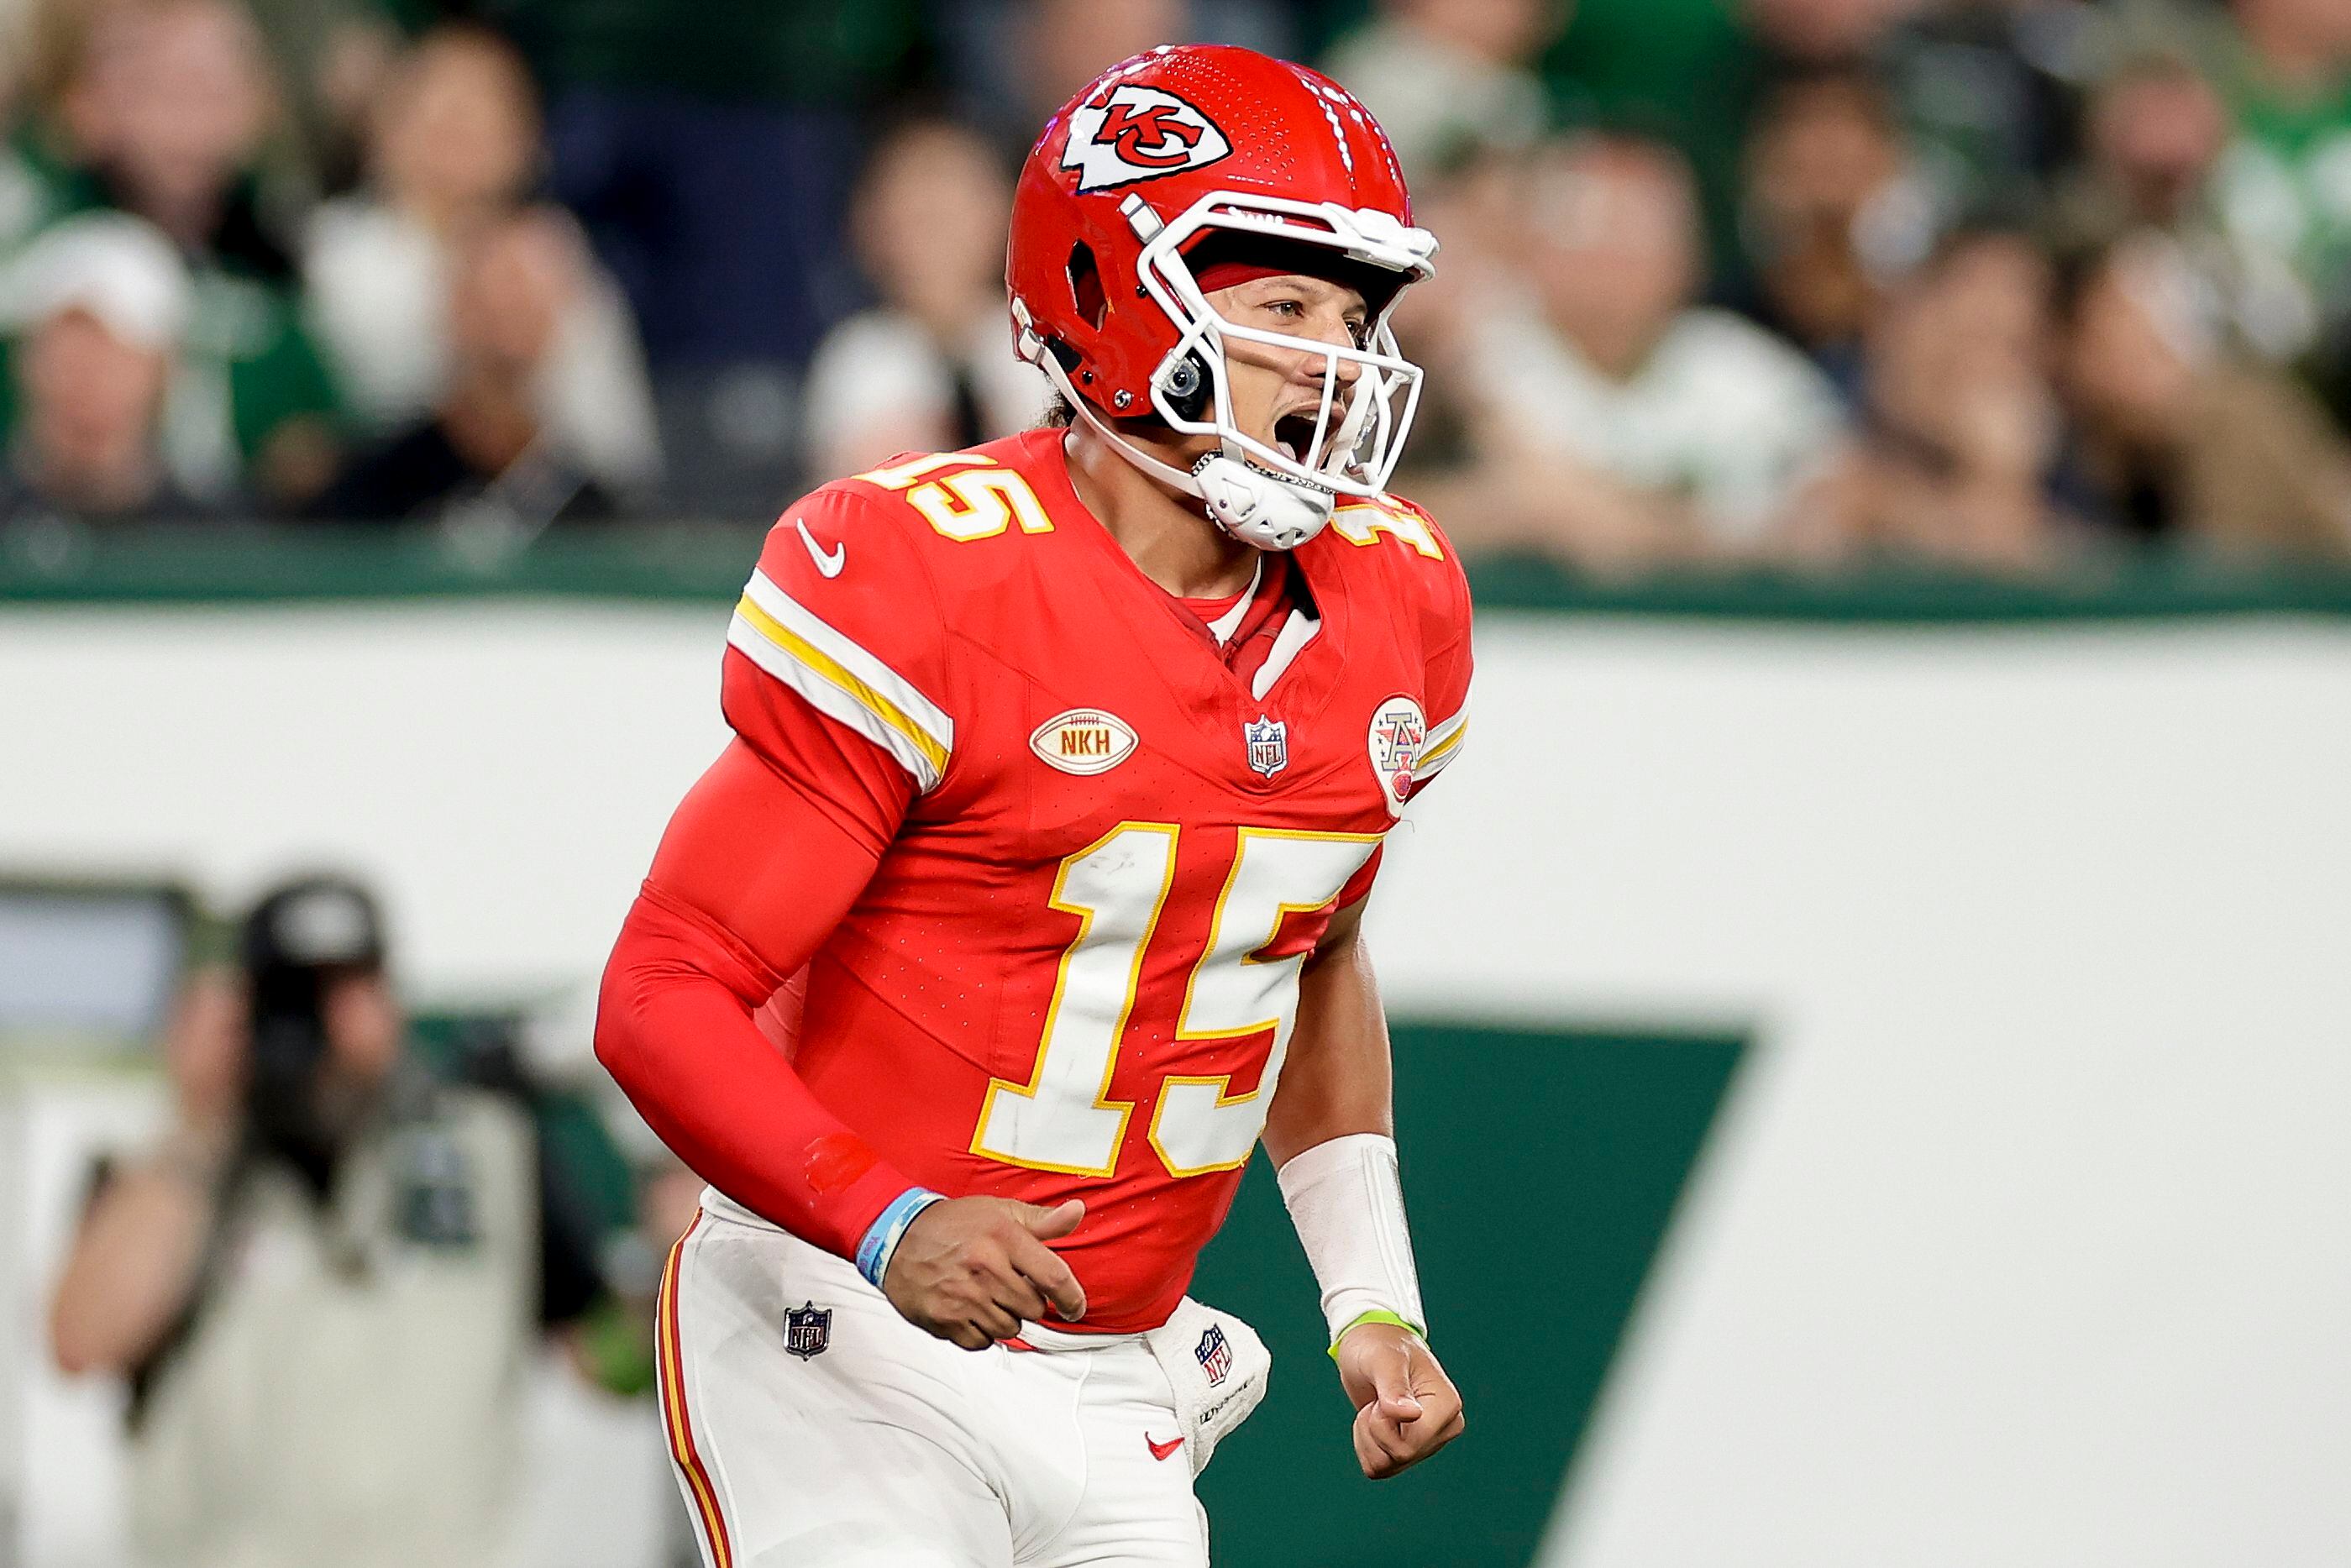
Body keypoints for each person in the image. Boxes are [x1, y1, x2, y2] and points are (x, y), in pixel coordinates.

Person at [596, 45, 1469, 1567]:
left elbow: (1301, 954)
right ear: (1117, 297)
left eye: (1351, 315)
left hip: (1120, 1375)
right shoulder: (929, 575)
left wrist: (1369, 1295)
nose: (1334, 363)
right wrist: (883, 1217)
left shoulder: (1393, 598)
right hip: (842, 1328)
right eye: (1280, 310)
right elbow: (661, 991)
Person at [48, 873, 607, 1568]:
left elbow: (604, 1360)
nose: (327, 1027)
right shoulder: (164, 1172)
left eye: (354, 988)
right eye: (300, 997)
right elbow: (80, 1342)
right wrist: (204, 1124)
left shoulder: (490, 1149)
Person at [1438, 132, 1853, 566]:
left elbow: (1831, 507)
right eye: (1598, 229)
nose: (1617, 260)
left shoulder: (1740, 368)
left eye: (1645, 234)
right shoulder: (1470, 349)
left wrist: (1596, 517)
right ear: (1535, 243)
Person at [799, 118, 1050, 483]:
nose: (935, 236)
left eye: (952, 211)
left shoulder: (1046, 350)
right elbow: (849, 501)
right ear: (869, 225)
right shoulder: (857, 358)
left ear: (1007, 212)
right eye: (917, 215)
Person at [0, 211, 213, 522]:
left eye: (114, 352)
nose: (84, 377)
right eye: (65, 352)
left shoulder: (215, 540)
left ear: (163, 369)